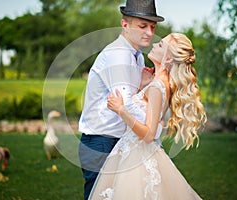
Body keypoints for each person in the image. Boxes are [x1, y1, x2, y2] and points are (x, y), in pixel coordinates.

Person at [88, 33, 207, 200]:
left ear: (169, 59)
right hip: (133, 150)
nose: (154, 44)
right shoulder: (157, 83)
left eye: (160, 46)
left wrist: (121, 110)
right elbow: (154, 120)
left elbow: (149, 134)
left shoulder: (158, 86)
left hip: (138, 154)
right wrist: (143, 85)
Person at [78, 0, 164, 199]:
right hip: (100, 141)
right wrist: (154, 126)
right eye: (142, 26)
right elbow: (124, 105)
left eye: (152, 27)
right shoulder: (118, 55)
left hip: (119, 139)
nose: (150, 33)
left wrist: (141, 86)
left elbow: (128, 98)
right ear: (125, 25)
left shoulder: (137, 56)